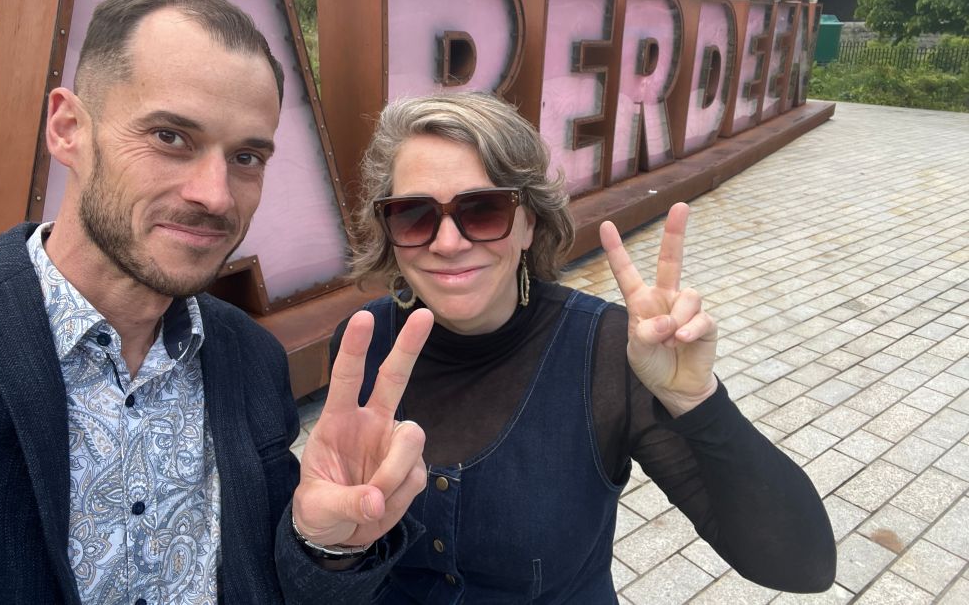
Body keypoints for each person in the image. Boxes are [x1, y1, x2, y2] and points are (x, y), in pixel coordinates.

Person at [0, 0, 435, 604]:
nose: (216, 195)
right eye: (170, 137)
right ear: (68, 129)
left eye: (246, 156)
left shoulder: (249, 357)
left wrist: (326, 547)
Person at [336, 91, 837, 603]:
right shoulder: (362, 346)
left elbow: (802, 565)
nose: (447, 242)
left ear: (530, 222)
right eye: (413, 215)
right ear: (389, 230)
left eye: (483, 210)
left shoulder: (606, 354)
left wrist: (697, 402)